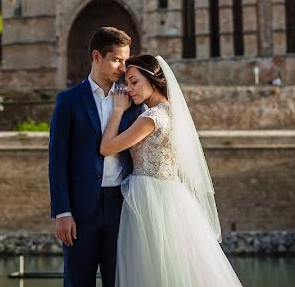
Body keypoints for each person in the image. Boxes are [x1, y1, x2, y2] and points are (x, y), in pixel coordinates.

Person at [100, 54, 244, 286]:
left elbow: (107, 147)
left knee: (152, 268)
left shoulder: (151, 118)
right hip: (171, 194)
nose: (129, 89)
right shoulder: (172, 113)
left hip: (149, 197)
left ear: (153, 80)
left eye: (134, 82)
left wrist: (117, 111)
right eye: (127, 83)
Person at [49, 27, 142, 287]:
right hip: (79, 211)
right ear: (97, 57)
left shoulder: (131, 102)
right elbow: (57, 161)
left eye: (126, 60)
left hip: (121, 206)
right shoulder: (68, 101)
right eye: (117, 60)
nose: (123, 68)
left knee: (119, 281)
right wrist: (62, 212)